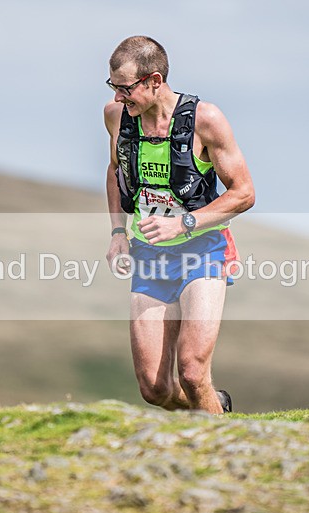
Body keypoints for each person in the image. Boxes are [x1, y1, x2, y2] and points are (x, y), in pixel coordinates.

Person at [104, 36, 254, 414]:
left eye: (125, 88)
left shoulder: (205, 119)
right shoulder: (117, 117)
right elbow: (114, 170)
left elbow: (244, 194)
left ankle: (224, 449)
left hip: (202, 251)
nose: (119, 98)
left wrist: (183, 224)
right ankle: (212, 410)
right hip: (149, 255)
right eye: (113, 87)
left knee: (190, 370)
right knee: (154, 388)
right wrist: (118, 233)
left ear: (154, 80)